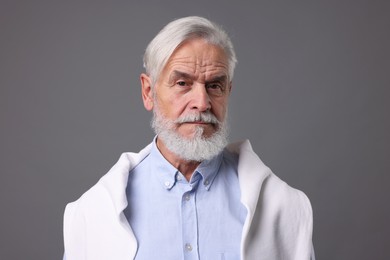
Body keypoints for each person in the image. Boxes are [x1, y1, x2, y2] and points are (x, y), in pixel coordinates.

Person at [63, 16, 315, 260]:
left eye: (215, 86)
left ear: (228, 91)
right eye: (183, 83)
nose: (202, 103)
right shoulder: (93, 214)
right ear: (148, 92)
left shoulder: (283, 208)